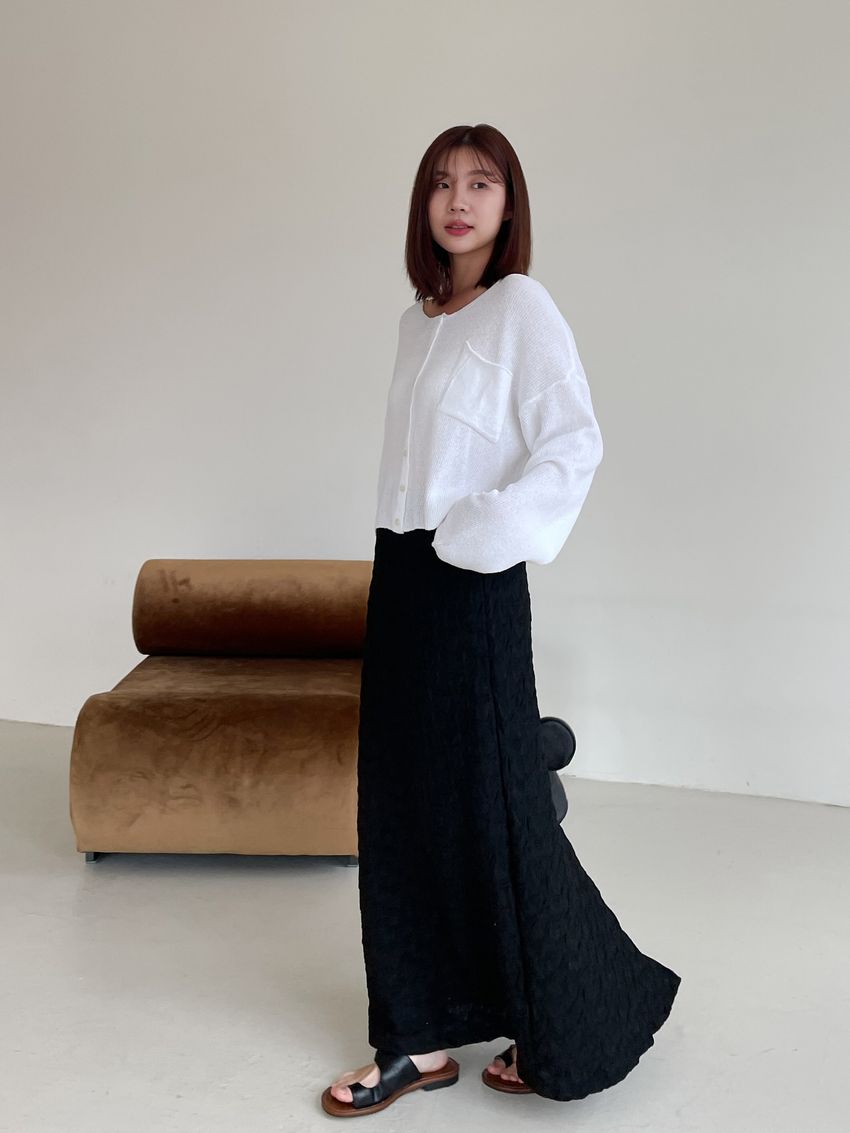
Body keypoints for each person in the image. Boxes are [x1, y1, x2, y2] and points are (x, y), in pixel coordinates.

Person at [321, 124, 681, 1117]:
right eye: (442, 183)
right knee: (400, 805)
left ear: (508, 204)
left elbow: (573, 443)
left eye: (481, 183)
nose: (459, 200)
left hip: (471, 580)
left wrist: (484, 529)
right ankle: (417, 1034)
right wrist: (414, 551)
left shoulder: (522, 307)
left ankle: (579, 1007)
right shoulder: (418, 321)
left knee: (495, 804)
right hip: (402, 576)